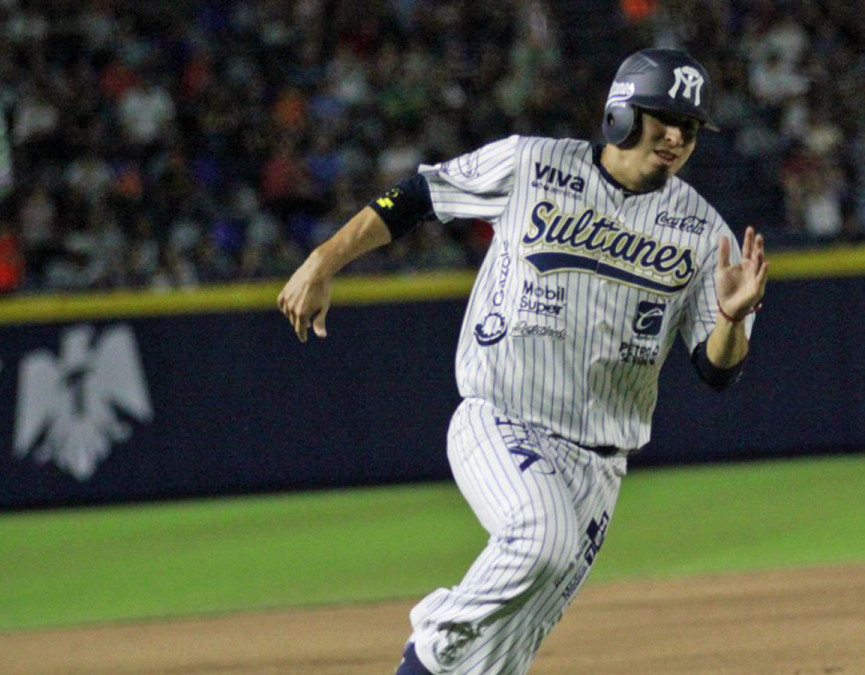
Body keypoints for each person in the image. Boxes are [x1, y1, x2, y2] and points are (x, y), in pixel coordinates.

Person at [278, 48, 769, 674]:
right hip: (501, 417)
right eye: (661, 117)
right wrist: (323, 260)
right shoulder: (533, 162)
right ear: (620, 114)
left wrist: (729, 319)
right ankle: (431, 637)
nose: (675, 136)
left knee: (499, 660)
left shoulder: (706, 234)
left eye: (690, 128)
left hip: (601, 465)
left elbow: (717, 371)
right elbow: (421, 195)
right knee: (541, 537)